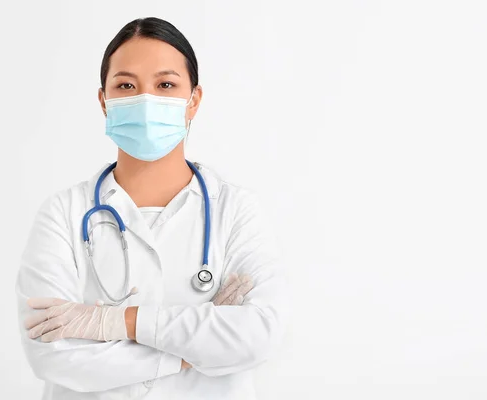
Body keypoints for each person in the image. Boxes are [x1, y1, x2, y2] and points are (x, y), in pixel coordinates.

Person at [15, 17, 288, 400]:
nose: (145, 101)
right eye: (126, 85)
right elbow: (51, 354)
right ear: (103, 100)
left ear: (193, 100)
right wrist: (193, 353)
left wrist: (114, 322)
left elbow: (258, 336)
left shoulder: (237, 210)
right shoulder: (63, 213)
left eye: (166, 85)